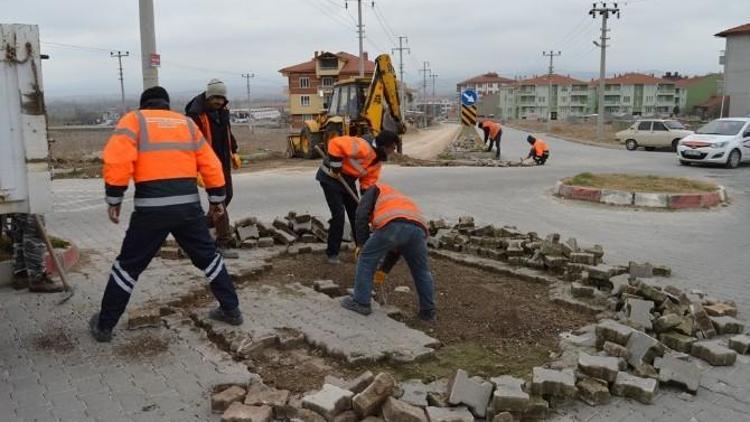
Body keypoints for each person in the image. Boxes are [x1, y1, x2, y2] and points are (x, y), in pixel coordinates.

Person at [89, 86, 242, 343]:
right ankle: (231, 310)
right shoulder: (186, 124)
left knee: (128, 266)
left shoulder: (134, 121)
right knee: (209, 258)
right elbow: (211, 164)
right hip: (188, 208)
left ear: (143, 105)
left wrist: (114, 199)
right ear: (166, 105)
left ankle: (104, 325)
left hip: (151, 210)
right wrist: (217, 200)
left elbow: (117, 161)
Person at [340, 182, 436, 321]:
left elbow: (361, 215)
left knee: (366, 259)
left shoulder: (373, 189)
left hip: (392, 224)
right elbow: (397, 248)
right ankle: (428, 312)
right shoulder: (396, 196)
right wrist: (384, 270)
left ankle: (361, 303)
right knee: (421, 270)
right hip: (418, 229)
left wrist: (361, 244)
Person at [316, 130, 399, 264]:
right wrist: (336, 167)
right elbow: (335, 144)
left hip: (347, 181)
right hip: (330, 177)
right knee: (339, 216)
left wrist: (367, 203)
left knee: (358, 215)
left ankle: (364, 250)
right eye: (393, 148)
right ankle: (332, 254)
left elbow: (368, 182)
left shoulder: (376, 161)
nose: (393, 151)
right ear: (385, 146)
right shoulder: (362, 147)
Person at [185, 79, 242, 258]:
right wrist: (196, 168)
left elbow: (227, 131)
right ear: (208, 96)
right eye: (216, 98)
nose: (219, 101)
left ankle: (198, 230)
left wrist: (234, 150)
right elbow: (190, 142)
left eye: (222, 98)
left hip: (223, 161)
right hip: (207, 165)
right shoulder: (195, 115)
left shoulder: (222, 111)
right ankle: (223, 242)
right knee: (219, 202)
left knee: (227, 196)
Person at [8, 213, 63, 292]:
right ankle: (37, 279)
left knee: (20, 221)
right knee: (35, 228)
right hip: (32, 202)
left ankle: (22, 275)